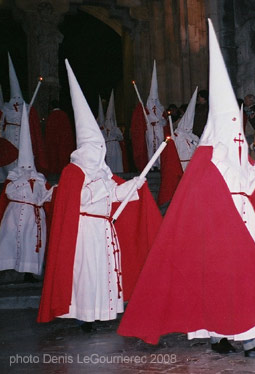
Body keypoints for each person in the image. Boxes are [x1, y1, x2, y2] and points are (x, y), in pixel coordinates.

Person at [117, 19, 255, 357]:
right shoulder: (207, 159)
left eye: (239, 130)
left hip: (245, 223)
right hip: (220, 231)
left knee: (250, 279)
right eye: (232, 130)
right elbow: (204, 198)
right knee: (222, 281)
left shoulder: (235, 154)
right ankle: (224, 336)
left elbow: (249, 180)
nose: (238, 137)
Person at [37, 60, 162, 332]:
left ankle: (103, 311)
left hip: (104, 227)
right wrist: (105, 189)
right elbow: (77, 201)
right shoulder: (73, 172)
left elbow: (116, 193)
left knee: (105, 268)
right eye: (94, 147)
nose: (99, 151)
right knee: (88, 271)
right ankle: (85, 314)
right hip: (85, 228)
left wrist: (133, 185)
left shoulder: (102, 171)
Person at [0, 104, 54, 278]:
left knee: (30, 242)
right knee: (9, 238)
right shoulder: (15, 178)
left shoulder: (39, 180)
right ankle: (6, 266)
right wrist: (21, 180)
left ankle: (30, 271)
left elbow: (45, 196)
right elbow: (8, 192)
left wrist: (54, 190)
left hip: (33, 215)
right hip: (15, 212)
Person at [144, 61, 167, 169]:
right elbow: (143, 121)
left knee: (159, 146)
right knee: (150, 147)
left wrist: (158, 122)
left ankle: (160, 164)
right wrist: (149, 123)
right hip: (150, 130)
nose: (153, 101)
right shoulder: (145, 110)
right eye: (151, 99)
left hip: (158, 130)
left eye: (155, 99)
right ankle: (152, 165)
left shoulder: (160, 108)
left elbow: (164, 120)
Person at [44, 100, 75, 175]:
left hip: (53, 142)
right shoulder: (64, 115)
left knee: (54, 157)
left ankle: (54, 171)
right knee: (63, 157)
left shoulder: (51, 116)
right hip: (63, 141)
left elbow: (49, 130)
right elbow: (67, 129)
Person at [102, 90, 124, 173]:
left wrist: (113, 132)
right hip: (107, 146)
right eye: (107, 120)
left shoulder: (115, 128)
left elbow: (121, 137)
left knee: (116, 162)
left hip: (115, 146)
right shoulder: (103, 128)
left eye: (110, 120)